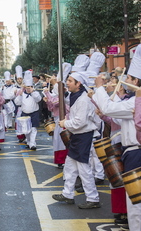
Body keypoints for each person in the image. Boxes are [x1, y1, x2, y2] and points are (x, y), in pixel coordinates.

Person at [93, 44, 141, 230]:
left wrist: (99, 88)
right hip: (130, 151)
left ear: (136, 82)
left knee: (136, 203)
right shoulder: (131, 101)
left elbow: (109, 109)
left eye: (128, 78)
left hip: (136, 154)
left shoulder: (134, 102)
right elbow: (114, 117)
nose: (124, 81)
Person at [52, 72, 101, 209]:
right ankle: (67, 194)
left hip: (83, 136)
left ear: (78, 84)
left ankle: (93, 198)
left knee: (84, 170)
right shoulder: (76, 96)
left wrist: (65, 123)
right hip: (78, 136)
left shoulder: (84, 100)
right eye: (67, 80)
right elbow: (61, 95)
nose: (67, 83)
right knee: (69, 167)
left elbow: (80, 122)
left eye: (70, 81)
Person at [15, 70, 42, 150]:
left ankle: (32, 144)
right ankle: (29, 141)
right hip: (25, 113)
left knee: (33, 129)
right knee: (26, 130)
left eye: (29, 87)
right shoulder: (22, 94)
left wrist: (33, 92)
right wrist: (20, 94)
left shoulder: (35, 93)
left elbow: (38, 99)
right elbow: (17, 102)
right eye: (27, 87)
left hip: (34, 113)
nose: (28, 89)